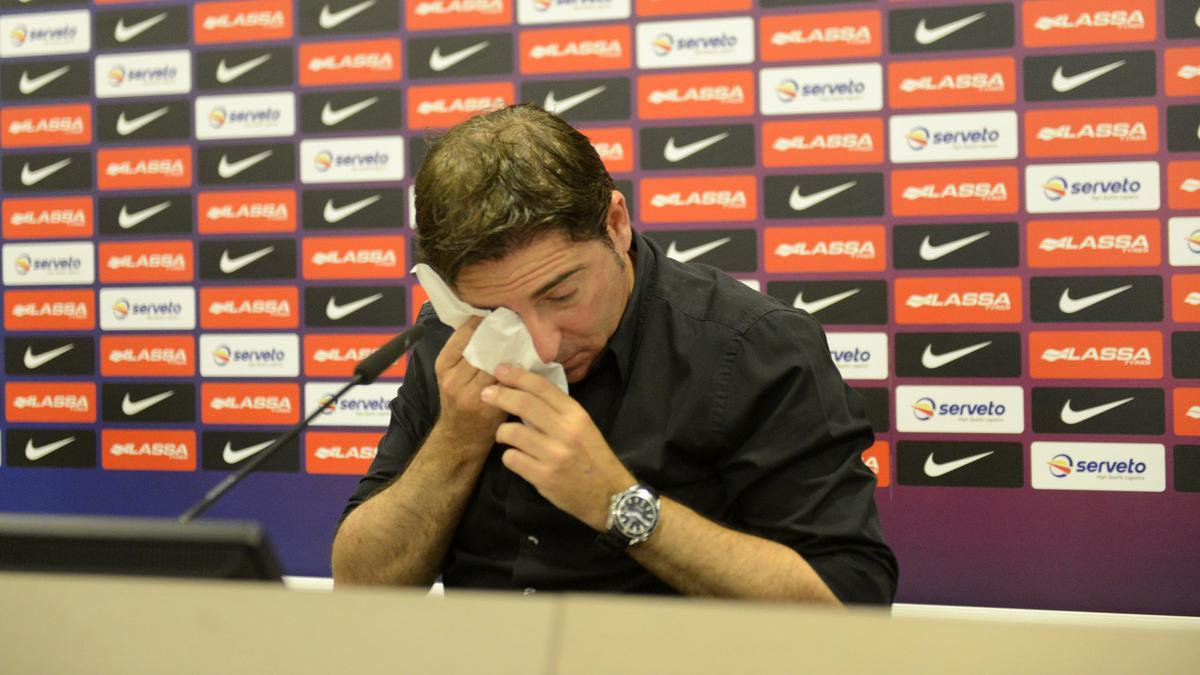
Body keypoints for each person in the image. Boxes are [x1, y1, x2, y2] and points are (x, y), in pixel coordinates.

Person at [331, 104, 897, 604]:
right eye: (499, 313)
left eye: (561, 294)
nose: (541, 342)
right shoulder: (453, 337)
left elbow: (847, 605)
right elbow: (359, 588)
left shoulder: (752, 346)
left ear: (616, 223)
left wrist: (619, 503)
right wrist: (456, 439)